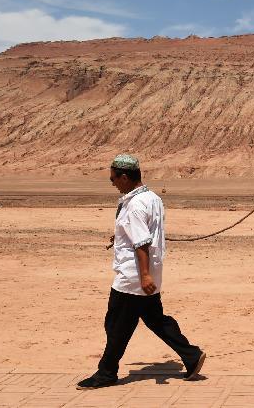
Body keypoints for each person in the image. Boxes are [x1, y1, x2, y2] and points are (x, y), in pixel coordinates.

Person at [77, 154, 206, 389]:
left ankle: (106, 373)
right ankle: (191, 355)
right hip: (150, 273)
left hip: (134, 276)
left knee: (116, 325)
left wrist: (144, 275)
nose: (112, 182)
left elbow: (141, 242)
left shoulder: (135, 205)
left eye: (113, 178)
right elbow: (142, 232)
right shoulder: (152, 197)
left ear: (125, 177)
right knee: (156, 320)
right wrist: (120, 238)